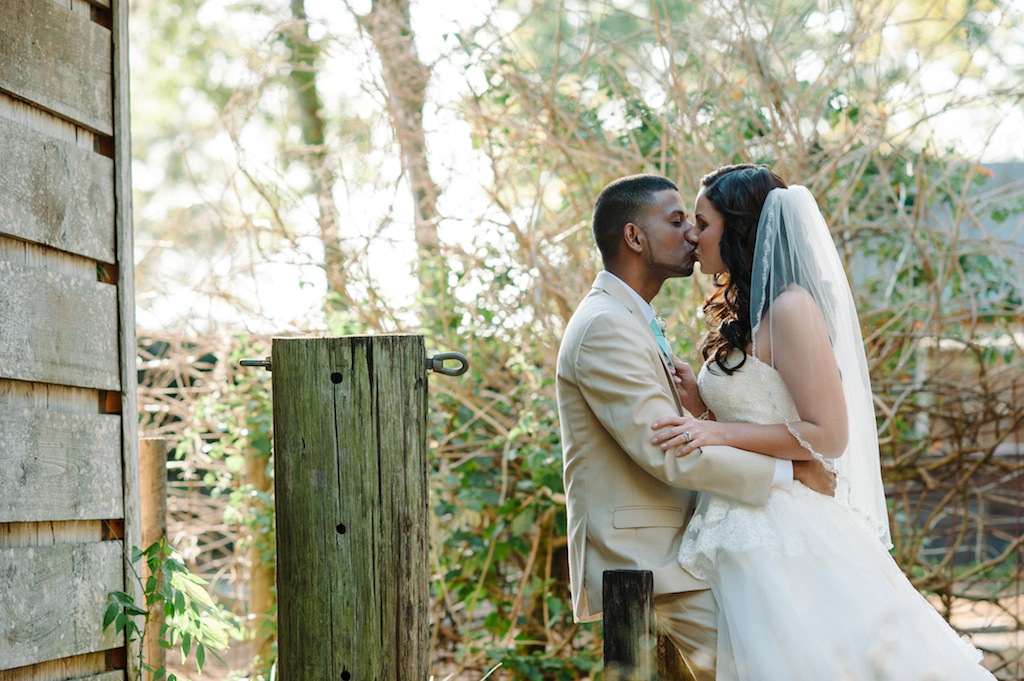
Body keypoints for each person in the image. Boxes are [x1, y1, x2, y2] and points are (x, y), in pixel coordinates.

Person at [650, 164, 996, 680]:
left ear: (740, 226)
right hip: (739, 517)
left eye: (703, 221)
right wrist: (701, 401)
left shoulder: (791, 307)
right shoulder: (744, 311)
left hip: (786, 527)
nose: (694, 236)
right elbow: (764, 413)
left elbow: (827, 434)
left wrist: (714, 430)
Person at [556, 173, 836, 680]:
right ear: (634, 238)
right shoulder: (605, 326)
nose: (691, 233)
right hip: (650, 561)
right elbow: (667, 450)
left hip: (692, 546)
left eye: (697, 222)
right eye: (678, 220)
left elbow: (686, 433)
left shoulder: (632, 317)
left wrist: (704, 414)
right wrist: (792, 474)